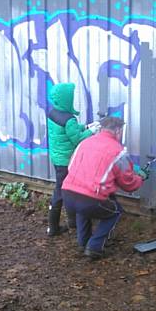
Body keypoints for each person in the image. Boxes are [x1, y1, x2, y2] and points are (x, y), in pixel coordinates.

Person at [61, 116, 147, 259]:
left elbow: (71, 167)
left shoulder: (84, 143)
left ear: (101, 128)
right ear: (118, 131)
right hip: (90, 199)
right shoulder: (118, 152)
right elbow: (129, 184)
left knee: (82, 209)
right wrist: (141, 177)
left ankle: (83, 242)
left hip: (67, 194)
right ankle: (94, 247)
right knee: (116, 211)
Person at [46, 82, 97, 237]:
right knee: (61, 192)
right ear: (66, 99)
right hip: (66, 161)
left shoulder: (53, 113)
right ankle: (53, 228)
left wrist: (86, 126)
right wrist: (92, 131)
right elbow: (77, 139)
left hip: (57, 157)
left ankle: (72, 222)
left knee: (67, 189)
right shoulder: (69, 119)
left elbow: (69, 130)